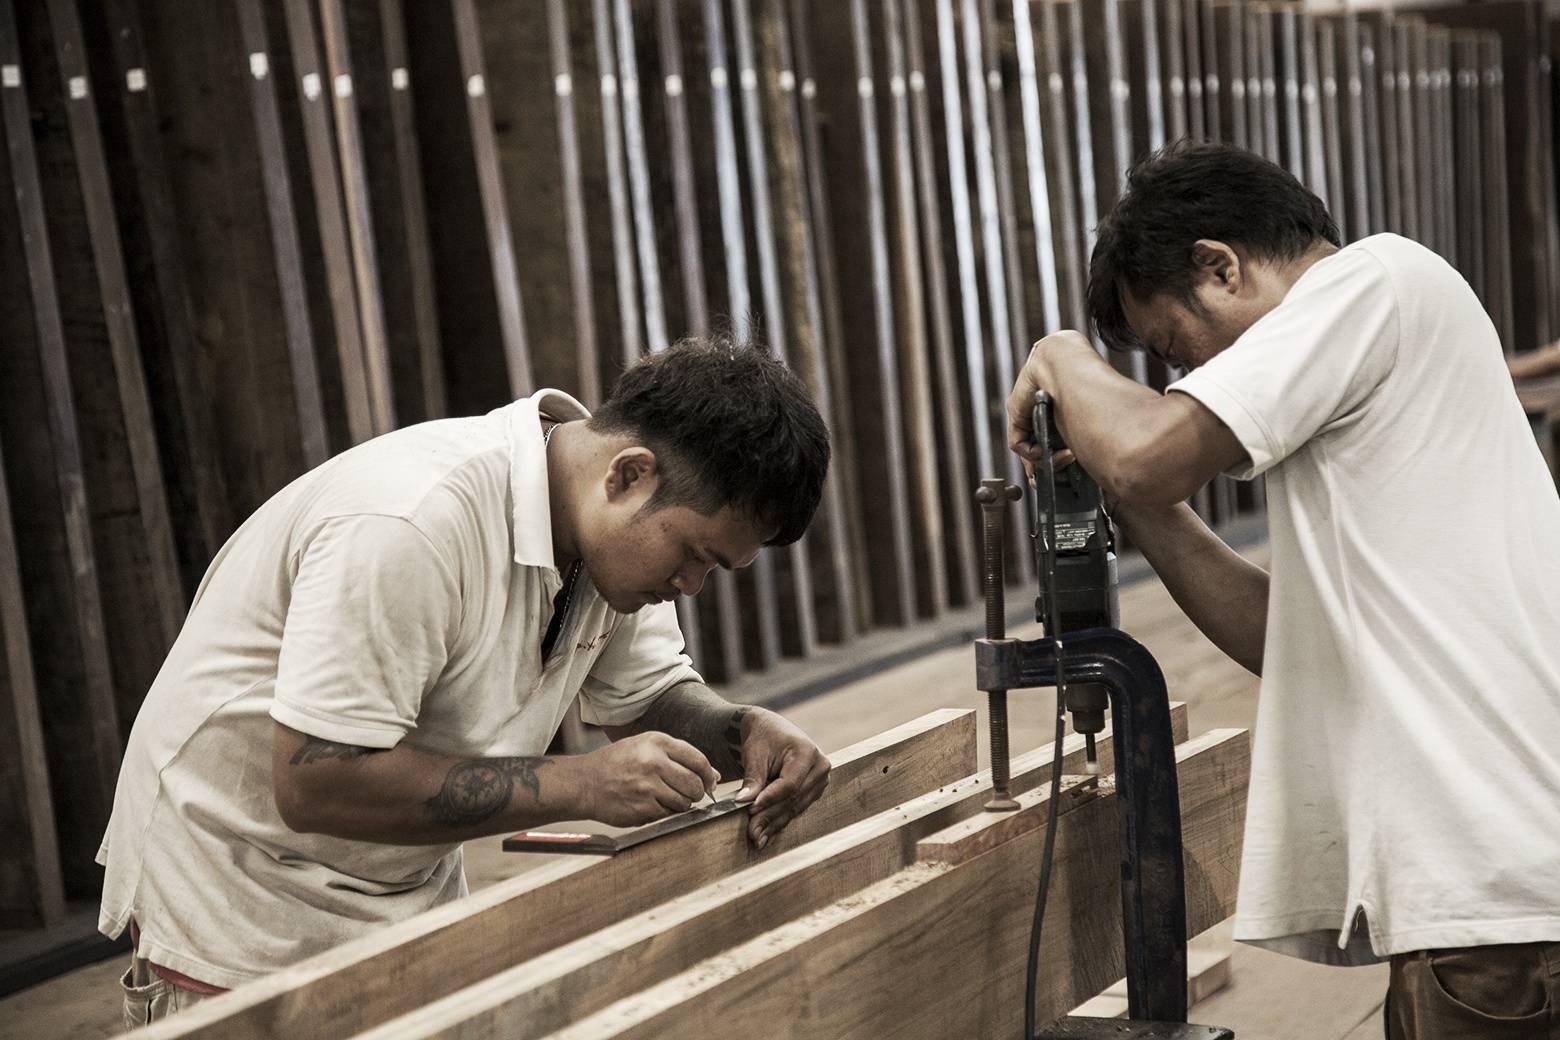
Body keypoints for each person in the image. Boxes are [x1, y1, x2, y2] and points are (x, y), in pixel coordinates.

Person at [99, 339, 833, 1026]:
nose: (693, 585)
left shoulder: (611, 545)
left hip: (396, 884)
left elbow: (648, 698)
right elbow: (314, 783)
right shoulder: (410, 522)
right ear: (629, 473)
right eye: (694, 554)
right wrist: (580, 784)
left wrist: (744, 731)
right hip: (242, 889)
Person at [1006, 143, 1560, 1038]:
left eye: (1178, 349)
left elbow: (1151, 453)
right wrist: (1128, 504)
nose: (1187, 380)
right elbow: (1286, 640)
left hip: (1504, 903)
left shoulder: (1374, 280)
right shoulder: (1367, 396)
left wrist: (1061, 355)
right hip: (1497, 903)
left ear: (1220, 267)